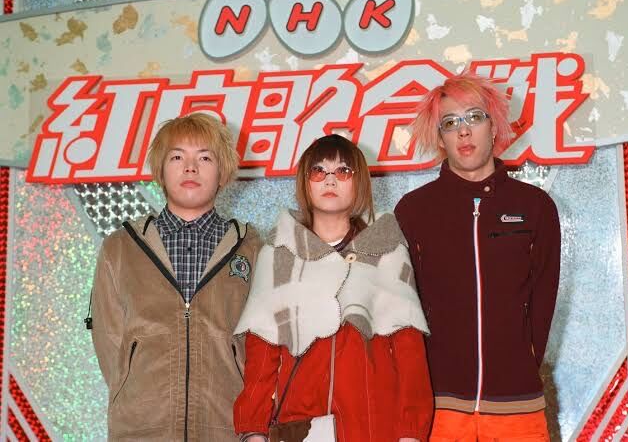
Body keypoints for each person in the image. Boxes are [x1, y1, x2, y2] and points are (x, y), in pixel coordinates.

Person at [233, 134, 433, 442]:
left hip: (375, 427)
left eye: (343, 171)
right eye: (318, 171)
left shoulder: (386, 250)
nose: (330, 180)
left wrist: (412, 432)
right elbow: (262, 352)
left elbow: (410, 352)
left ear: (359, 182)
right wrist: (253, 429)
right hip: (300, 427)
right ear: (305, 182)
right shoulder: (279, 253)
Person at [394, 72, 561, 441]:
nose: (464, 131)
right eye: (450, 123)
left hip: (517, 407)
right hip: (439, 407)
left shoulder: (535, 207)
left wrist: (521, 363)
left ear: (494, 125)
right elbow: (403, 307)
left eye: (474, 117)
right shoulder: (413, 211)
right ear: (440, 137)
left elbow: (543, 301)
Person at [89, 113, 260, 441]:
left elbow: (261, 345)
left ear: (222, 172)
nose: (190, 168)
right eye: (177, 157)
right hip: (141, 431)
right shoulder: (120, 248)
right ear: (161, 170)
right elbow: (109, 341)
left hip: (227, 428)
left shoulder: (252, 248)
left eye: (205, 158)